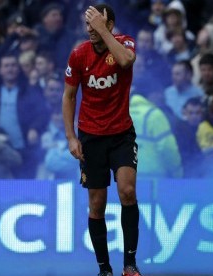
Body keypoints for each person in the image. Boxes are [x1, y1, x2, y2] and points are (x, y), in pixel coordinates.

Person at [62, 4, 141, 276]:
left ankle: (129, 265)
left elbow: (126, 61)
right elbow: (69, 96)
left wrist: (104, 31)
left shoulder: (125, 42)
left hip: (121, 133)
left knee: (128, 192)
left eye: (96, 23)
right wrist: (71, 137)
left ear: (110, 26)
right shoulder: (78, 54)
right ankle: (104, 269)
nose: (90, 29)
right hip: (91, 137)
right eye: (88, 24)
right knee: (97, 204)